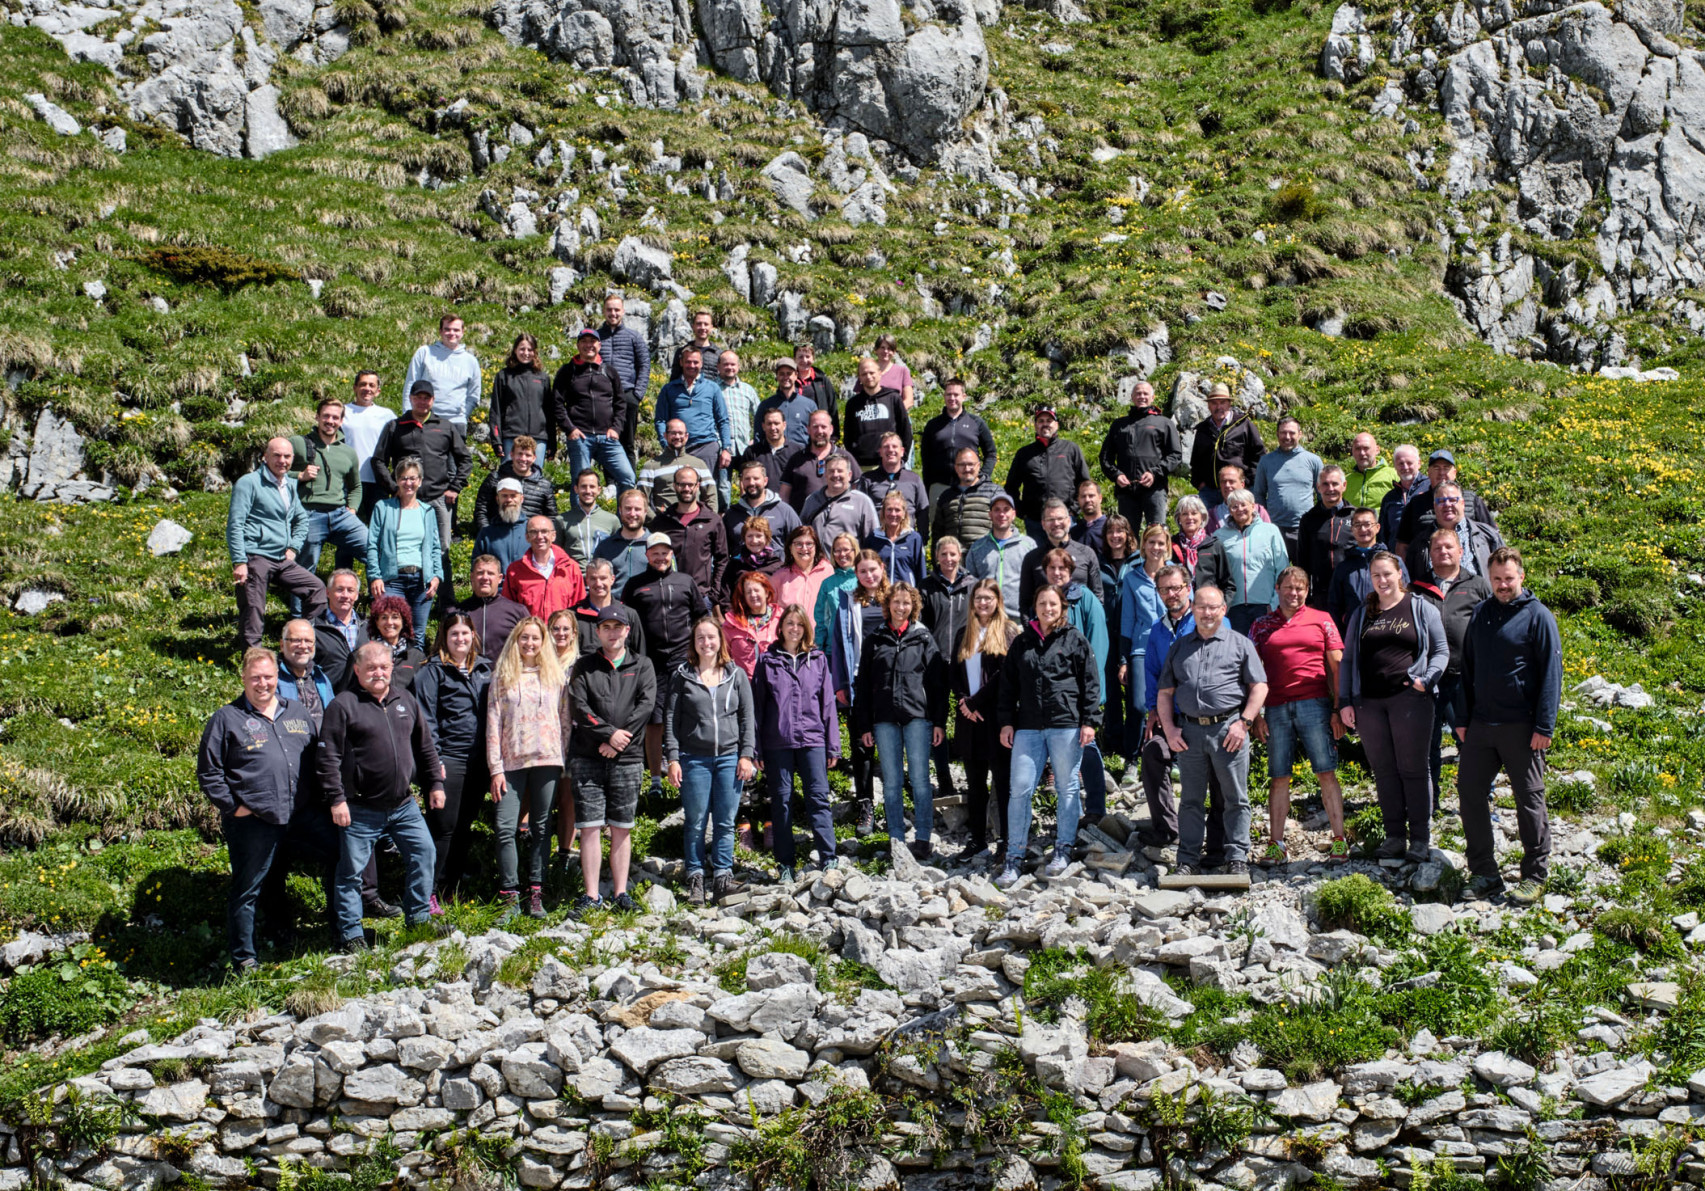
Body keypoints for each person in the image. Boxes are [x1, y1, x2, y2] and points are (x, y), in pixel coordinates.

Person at [198, 647, 331, 971]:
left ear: (277, 678)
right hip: (254, 819)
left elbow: (317, 758)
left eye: (268, 677)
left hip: (300, 814)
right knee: (247, 887)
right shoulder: (226, 719)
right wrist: (234, 807)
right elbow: (209, 772)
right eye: (255, 677)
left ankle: (340, 928)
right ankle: (244, 958)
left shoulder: (296, 711)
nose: (262, 683)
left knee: (340, 852)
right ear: (243, 678)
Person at [318, 640, 445, 951]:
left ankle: (418, 920)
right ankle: (351, 934)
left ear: (392, 669)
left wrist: (435, 784)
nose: (378, 673)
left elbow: (426, 747)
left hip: (403, 805)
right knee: (351, 873)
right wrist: (336, 799)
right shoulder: (343, 706)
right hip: (360, 808)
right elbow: (327, 758)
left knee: (424, 854)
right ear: (357, 670)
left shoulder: (406, 700)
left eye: (384, 667)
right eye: (371, 668)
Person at [1455, 547, 1562, 905]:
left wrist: (1544, 726)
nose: (1502, 585)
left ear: (1522, 577)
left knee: (1528, 799)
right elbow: (1467, 668)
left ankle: (1534, 875)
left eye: (1509, 578)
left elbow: (1551, 674)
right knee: (1470, 793)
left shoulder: (1538, 616)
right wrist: (1462, 718)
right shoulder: (1482, 613)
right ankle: (1484, 872)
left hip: (1522, 726)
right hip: (1481, 724)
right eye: (1497, 579)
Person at [1339, 551, 1449, 863]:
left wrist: (1426, 680)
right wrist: (1346, 701)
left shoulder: (1420, 607)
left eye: (1387, 574)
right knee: (1384, 771)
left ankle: (1420, 838)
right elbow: (1348, 660)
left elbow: (1440, 650)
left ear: (1399, 573)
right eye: (1376, 576)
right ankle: (1394, 837)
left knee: (1413, 769)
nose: (1382, 580)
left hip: (1410, 700)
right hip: (1369, 705)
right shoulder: (1363, 613)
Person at [1155, 584, 1267, 876]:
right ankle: (1187, 860)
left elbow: (1260, 686)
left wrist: (1244, 723)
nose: (1207, 612)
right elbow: (1165, 693)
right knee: (1191, 800)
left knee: (1235, 798)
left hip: (1229, 731)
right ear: (1193, 609)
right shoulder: (1179, 647)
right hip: (1190, 734)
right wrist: (1169, 730)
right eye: (1201, 607)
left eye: (1213, 607)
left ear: (1223, 610)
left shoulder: (1241, 644)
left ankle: (1237, 857)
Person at [996, 584, 1101, 887]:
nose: (1047, 609)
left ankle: (1063, 849)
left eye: (1053, 604)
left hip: (1066, 724)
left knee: (1067, 788)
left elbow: (1091, 683)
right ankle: (1014, 858)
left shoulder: (1074, 639)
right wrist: (1006, 722)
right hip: (1028, 726)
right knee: (1020, 789)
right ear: (1035, 607)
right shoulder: (1022, 642)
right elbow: (1007, 686)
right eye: (1042, 603)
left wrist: (1090, 721)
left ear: (1062, 607)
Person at [1250, 568, 1348, 865]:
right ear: (1277, 588)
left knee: (1326, 772)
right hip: (1276, 706)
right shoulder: (1261, 625)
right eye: (1289, 588)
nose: (1294, 593)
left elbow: (1337, 667)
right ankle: (1276, 844)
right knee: (1278, 776)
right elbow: (1252, 672)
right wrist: (1255, 715)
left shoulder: (1322, 619)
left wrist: (1337, 709)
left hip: (1315, 703)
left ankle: (1340, 841)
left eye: (1301, 588)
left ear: (1308, 590)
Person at [567, 605, 658, 915]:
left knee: (621, 826)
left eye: (618, 627)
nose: (613, 632)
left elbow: (645, 706)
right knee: (589, 827)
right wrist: (607, 736)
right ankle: (591, 895)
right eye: (606, 627)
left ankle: (621, 893)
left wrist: (618, 742)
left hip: (629, 758)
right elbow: (579, 707)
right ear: (598, 632)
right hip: (587, 755)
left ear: (627, 631)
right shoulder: (584, 666)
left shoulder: (642, 665)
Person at [667, 617, 758, 903]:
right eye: (700, 638)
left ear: (721, 640)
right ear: (694, 643)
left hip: (730, 758)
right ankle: (695, 877)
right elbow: (671, 718)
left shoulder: (736, 675)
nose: (707, 643)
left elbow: (747, 717)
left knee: (725, 820)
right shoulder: (681, 676)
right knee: (695, 821)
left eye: (711, 637)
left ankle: (722, 878)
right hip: (693, 759)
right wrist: (672, 758)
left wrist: (746, 754)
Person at [855, 582, 947, 860]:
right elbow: (863, 686)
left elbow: (938, 684)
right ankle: (896, 837)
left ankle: (922, 838)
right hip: (883, 720)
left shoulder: (923, 638)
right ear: (887, 605)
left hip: (918, 717)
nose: (900, 607)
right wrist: (863, 726)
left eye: (906, 603)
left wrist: (939, 722)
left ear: (913, 606)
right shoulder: (875, 639)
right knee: (892, 782)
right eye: (896, 602)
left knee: (920, 779)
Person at [485, 616, 569, 919]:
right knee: (505, 827)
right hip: (510, 761)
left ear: (543, 642)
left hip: (547, 759)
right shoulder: (503, 676)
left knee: (541, 827)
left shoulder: (555, 677)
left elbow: (565, 720)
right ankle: (509, 895)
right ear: (515, 641)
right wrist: (495, 768)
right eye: (524, 638)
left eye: (535, 638)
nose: (530, 643)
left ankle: (536, 892)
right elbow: (493, 724)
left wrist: (564, 759)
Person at [753, 604, 840, 881]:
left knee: (818, 799)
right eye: (789, 623)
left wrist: (833, 744)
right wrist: (755, 747)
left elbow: (828, 703)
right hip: (777, 742)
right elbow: (758, 707)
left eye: (799, 624)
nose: (794, 628)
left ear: (806, 628)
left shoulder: (817, 659)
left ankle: (829, 858)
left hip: (813, 739)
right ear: (781, 627)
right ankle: (785, 864)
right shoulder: (767, 661)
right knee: (782, 802)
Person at [1410, 529, 1492, 812]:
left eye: (1448, 547)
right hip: (1429, 681)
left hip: (1465, 678)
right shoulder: (1416, 588)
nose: (1443, 552)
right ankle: (1429, 803)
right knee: (1427, 745)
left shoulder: (1478, 585)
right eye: (1437, 548)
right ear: (1430, 554)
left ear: (1460, 551)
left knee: (1469, 742)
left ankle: (1479, 801)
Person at [413, 614, 492, 909]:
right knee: (442, 827)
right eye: (454, 634)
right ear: (444, 638)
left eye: (465, 633)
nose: (460, 639)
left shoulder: (484, 668)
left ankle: (450, 887)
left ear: (473, 635)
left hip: (479, 761)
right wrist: (434, 762)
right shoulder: (431, 672)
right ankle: (427, 891)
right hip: (449, 758)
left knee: (464, 826)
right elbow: (425, 719)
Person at [624, 533, 710, 795]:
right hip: (650, 660)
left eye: (665, 552)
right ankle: (655, 781)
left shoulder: (685, 581)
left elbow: (701, 616)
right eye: (655, 553)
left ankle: (687, 770)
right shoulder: (635, 584)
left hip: (683, 658)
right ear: (647, 555)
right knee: (654, 719)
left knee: (688, 714)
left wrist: (699, 652)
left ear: (672, 554)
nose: (660, 557)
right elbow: (626, 622)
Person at [1138, 565, 1214, 851]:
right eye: (1164, 590)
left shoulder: (1206, 619)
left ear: (1188, 586)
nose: (1171, 594)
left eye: (1176, 588)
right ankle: (1167, 830)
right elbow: (1152, 673)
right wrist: (1153, 710)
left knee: (1217, 770)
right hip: (1171, 718)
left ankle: (1218, 838)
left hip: (1206, 717)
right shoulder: (1157, 631)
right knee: (1153, 752)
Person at [229, 436, 326, 648]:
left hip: (282, 558)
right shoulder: (249, 483)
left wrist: (293, 547)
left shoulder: (289, 485)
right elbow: (235, 524)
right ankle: (252, 659)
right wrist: (239, 561)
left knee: (317, 589)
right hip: (256, 556)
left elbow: (301, 519)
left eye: (287, 456)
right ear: (265, 457)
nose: (282, 460)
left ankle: (302, 641)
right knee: (254, 609)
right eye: (277, 455)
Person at [372, 379, 471, 587]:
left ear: (433, 400)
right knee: (399, 547)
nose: (422, 401)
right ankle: (400, 594)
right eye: (418, 397)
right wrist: (393, 488)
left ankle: (445, 604)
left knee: (441, 549)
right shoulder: (395, 426)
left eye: (427, 398)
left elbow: (464, 458)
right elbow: (378, 460)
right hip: (404, 501)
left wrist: (455, 487)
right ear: (410, 398)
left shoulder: (445, 427)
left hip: (437, 499)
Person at [952, 580, 1019, 864]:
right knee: (975, 784)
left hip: (997, 718)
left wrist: (976, 702)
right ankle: (977, 840)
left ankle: (1005, 840)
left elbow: (1006, 676)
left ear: (997, 600)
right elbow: (954, 672)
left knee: (1002, 783)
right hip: (970, 720)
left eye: (988, 598)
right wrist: (964, 702)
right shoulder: (963, 633)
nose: (982, 603)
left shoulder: (1008, 632)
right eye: (978, 598)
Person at [1041, 548, 1111, 819]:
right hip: (1055, 694)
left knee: (1088, 749)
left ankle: (1095, 810)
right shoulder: (1044, 601)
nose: (1057, 573)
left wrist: (1094, 693)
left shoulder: (1086, 599)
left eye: (1063, 569)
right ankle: (1068, 816)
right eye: (1052, 569)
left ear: (1071, 572)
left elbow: (1099, 646)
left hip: (1083, 692)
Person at [828, 550, 891, 836]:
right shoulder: (848, 601)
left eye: (873, 570)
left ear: (882, 568)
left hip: (891, 683)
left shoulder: (896, 598)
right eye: (863, 571)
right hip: (858, 682)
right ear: (856, 574)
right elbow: (838, 644)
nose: (869, 576)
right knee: (862, 748)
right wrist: (839, 683)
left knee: (891, 744)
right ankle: (865, 805)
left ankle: (893, 806)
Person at [365, 457, 442, 649]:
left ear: (420, 481)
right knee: (389, 631)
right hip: (392, 579)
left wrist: (437, 576)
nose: (409, 483)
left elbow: (434, 547)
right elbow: (372, 544)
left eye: (413, 478)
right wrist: (375, 576)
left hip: (421, 580)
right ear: (397, 480)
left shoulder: (427, 511)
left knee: (417, 635)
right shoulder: (383, 508)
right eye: (404, 478)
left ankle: (414, 675)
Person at [289, 398, 367, 583]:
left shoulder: (348, 452)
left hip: (341, 515)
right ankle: (301, 612)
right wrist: (300, 476)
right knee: (305, 569)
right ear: (317, 417)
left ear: (341, 421)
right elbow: (271, 472)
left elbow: (355, 486)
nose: (330, 421)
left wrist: (352, 509)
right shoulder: (298, 443)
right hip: (309, 513)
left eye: (335, 417)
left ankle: (379, 604)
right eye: (326, 416)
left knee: (374, 551)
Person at [920, 535, 971, 810]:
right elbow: (921, 626)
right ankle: (943, 776)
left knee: (968, 714)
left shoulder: (971, 585)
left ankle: (972, 772)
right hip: (935, 662)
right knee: (937, 720)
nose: (949, 559)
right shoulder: (927, 587)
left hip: (964, 661)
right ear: (936, 557)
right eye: (944, 554)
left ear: (959, 555)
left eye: (953, 554)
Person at [553, 328, 637, 491]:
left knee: (628, 477)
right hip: (581, 438)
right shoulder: (567, 371)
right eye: (584, 341)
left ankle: (623, 516)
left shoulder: (609, 371)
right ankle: (580, 517)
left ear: (599, 345)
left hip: (608, 437)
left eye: (592, 341)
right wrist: (570, 429)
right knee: (581, 483)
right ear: (578, 345)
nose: (588, 345)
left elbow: (621, 402)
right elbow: (557, 403)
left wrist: (616, 428)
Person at [1195, 489, 1289, 634]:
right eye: (1234, 506)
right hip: (1234, 607)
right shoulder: (1219, 536)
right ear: (1229, 510)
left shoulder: (1270, 531)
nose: (1240, 509)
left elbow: (1282, 569)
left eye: (1243, 505)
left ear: (1253, 506)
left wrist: (1275, 603)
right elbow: (1215, 573)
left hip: (1265, 606)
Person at [1118, 524, 1171, 763]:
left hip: (1170, 646)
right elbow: (1127, 621)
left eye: (1161, 543)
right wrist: (1123, 660)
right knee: (1138, 705)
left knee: (1173, 703)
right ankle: (1131, 758)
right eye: (1151, 542)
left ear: (1167, 547)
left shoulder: (1176, 574)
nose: (1156, 548)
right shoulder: (1132, 578)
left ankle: (1173, 755)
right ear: (1144, 545)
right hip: (1141, 648)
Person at [654, 347, 731, 506]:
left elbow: (722, 420)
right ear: (681, 362)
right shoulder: (669, 389)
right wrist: (665, 444)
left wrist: (726, 448)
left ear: (701, 363)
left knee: (707, 491)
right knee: (679, 489)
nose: (692, 365)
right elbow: (661, 420)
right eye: (688, 361)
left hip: (707, 446)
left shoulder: (712, 388)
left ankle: (709, 524)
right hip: (678, 448)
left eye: (695, 362)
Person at [1100, 380, 1181, 529]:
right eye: (1138, 393)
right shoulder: (1119, 425)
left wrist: (1154, 473)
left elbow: (1175, 455)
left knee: (1157, 532)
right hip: (1126, 490)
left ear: (1152, 397)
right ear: (1132, 397)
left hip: (1154, 488)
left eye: (1145, 393)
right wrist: (1116, 475)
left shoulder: (1164, 423)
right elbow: (1105, 457)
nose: (1141, 396)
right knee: (1128, 536)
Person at [1006, 404, 1091, 540]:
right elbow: (1011, 487)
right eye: (1041, 421)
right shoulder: (1024, 454)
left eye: (1049, 421)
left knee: (1065, 559)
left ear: (1056, 424)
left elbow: (1085, 483)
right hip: (1035, 523)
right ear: (1035, 426)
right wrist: (1023, 513)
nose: (1045, 424)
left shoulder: (1071, 449)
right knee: (1039, 561)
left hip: (1065, 520)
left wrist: (1074, 510)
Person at [654, 466, 731, 608]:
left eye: (691, 484)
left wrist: (714, 594)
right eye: (682, 484)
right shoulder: (661, 522)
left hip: (701, 597)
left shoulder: (712, 521)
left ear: (698, 486)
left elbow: (722, 560)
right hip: (668, 596)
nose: (686, 488)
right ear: (674, 486)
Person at [1099, 516, 1141, 765]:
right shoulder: (1099, 561)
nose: (1115, 536)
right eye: (1110, 531)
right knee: (1111, 687)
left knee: (1135, 689)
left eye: (1120, 531)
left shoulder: (1138, 562)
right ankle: (1114, 739)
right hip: (1105, 631)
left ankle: (1134, 741)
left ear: (1128, 534)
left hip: (1131, 631)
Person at [1396, 449, 1495, 552]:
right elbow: (1402, 545)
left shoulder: (1472, 499)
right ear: (1428, 473)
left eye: (1446, 468)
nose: (1442, 472)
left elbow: (1492, 534)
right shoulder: (1415, 504)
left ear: (1454, 472)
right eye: (1436, 468)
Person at [1252, 416, 1322, 561]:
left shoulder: (1313, 461)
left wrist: (1318, 521)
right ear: (1277, 434)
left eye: (1292, 433)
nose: (1287, 437)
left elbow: (1322, 494)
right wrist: (1265, 523)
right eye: (1283, 433)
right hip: (1274, 528)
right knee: (1274, 574)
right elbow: (1258, 494)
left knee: (1303, 574)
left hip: (1303, 527)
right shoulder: (1266, 461)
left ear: (1300, 434)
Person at [920, 377, 996, 509]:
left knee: (969, 526)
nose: (952, 398)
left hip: (970, 486)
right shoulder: (933, 425)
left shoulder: (976, 423)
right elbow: (926, 459)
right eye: (949, 394)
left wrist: (983, 475)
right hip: (940, 487)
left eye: (956, 394)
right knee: (939, 528)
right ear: (944, 396)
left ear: (964, 396)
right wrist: (928, 486)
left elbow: (991, 453)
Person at [1407, 482, 1504, 584]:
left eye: (1453, 500)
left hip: (1480, 598)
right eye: (1441, 501)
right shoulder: (1419, 543)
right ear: (1434, 506)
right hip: (1435, 598)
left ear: (1462, 504)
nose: (1447, 505)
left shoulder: (1488, 536)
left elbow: (1506, 571)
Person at [1327, 507, 1408, 630]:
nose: (1363, 529)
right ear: (1352, 529)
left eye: (1367, 524)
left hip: (1390, 630)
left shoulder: (1394, 562)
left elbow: (1406, 597)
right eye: (1357, 525)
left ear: (1377, 527)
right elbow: (1334, 607)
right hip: (1355, 632)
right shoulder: (1344, 567)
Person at [1018, 498, 1104, 613]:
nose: (1056, 523)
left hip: (1080, 626)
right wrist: (1032, 630)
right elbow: (1025, 603)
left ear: (1069, 521)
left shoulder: (1087, 554)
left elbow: (1098, 598)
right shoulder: (1032, 558)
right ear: (1043, 524)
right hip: (1044, 627)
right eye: (1051, 519)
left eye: (1060, 518)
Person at [967, 490, 1036, 620]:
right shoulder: (977, 548)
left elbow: (1036, 583)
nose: (1002, 514)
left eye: (1006, 509)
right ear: (990, 515)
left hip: (1019, 620)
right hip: (986, 619)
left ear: (1014, 514)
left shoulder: (1028, 545)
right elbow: (970, 585)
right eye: (997, 510)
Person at [1188, 382, 1263, 502]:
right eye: (1214, 403)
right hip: (1210, 492)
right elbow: (1195, 461)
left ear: (1229, 404)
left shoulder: (1244, 425)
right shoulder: (1202, 429)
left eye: (1222, 402)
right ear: (1208, 406)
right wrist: (1199, 483)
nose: (1219, 407)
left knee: (1242, 520)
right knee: (1206, 521)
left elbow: (1259, 455)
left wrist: (1248, 481)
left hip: (1239, 490)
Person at [405, 313, 481, 430]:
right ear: (440, 331)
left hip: (456, 423)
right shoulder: (424, 353)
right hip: (425, 419)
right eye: (447, 329)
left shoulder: (471, 361)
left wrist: (462, 416)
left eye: (456, 330)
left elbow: (474, 395)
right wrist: (408, 415)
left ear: (462, 332)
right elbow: (411, 384)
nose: (452, 333)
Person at [502, 516, 587, 621]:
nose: (539, 536)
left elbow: (579, 606)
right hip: (530, 636)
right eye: (534, 532)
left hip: (561, 635)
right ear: (527, 537)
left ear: (553, 535)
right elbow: (508, 609)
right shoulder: (515, 571)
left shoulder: (571, 568)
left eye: (544, 531)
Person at [598, 295, 650, 463]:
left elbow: (644, 364)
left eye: (616, 310)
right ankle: (611, 483)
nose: (613, 313)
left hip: (627, 394)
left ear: (623, 311)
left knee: (627, 442)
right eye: (609, 310)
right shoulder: (596, 337)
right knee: (606, 440)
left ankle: (629, 484)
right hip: (603, 396)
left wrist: (637, 394)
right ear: (603, 311)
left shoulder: (633, 336)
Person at [448, 555, 527, 663]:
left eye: (490, 573)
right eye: (480, 573)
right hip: (465, 677)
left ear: (499, 578)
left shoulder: (518, 612)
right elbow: (441, 651)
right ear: (472, 577)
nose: (485, 577)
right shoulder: (455, 613)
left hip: (505, 677)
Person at [471, 436, 557, 536]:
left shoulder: (544, 485)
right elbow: (481, 510)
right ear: (511, 455)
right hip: (497, 535)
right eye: (519, 454)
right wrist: (486, 534)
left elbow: (552, 517)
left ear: (534, 458)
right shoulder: (495, 479)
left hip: (531, 539)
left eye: (528, 455)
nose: (523, 459)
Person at [1295, 466, 1354, 610]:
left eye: (1335, 483)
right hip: (1321, 595)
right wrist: (1306, 596)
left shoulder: (1355, 517)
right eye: (1325, 484)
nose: (1330, 489)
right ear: (1318, 487)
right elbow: (1302, 560)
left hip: (1351, 591)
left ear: (1344, 485)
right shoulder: (1308, 519)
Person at [341, 371, 395, 524]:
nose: (367, 388)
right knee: (348, 525)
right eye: (363, 384)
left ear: (378, 391)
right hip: (348, 480)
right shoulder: (343, 411)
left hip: (377, 480)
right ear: (354, 388)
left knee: (377, 524)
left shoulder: (387, 415)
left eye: (372, 385)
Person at [782, 409, 862, 511]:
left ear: (831, 429)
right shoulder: (796, 459)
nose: (820, 431)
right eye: (815, 427)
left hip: (839, 521)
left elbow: (858, 491)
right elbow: (784, 494)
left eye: (823, 427)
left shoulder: (845, 457)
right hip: (804, 522)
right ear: (808, 430)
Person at [489, 332, 551, 462]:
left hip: (538, 438)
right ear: (515, 350)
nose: (526, 353)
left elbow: (549, 411)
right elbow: (496, 410)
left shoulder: (542, 377)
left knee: (534, 479)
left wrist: (552, 442)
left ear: (535, 352)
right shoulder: (504, 376)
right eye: (522, 349)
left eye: (530, 349)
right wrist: (496, 440)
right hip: (511, 437)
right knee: (509, 480)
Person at [843, 357, 910, 470]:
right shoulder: (852, 404)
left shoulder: (893, 398)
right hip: (862, 466)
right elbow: (848, 437)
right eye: (864, 374)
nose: (868, 377)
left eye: (872, 373)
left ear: (880, 373)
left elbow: (905, 431)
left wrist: (903, 459)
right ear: (859, 377)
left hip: (890, 464)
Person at [571, 557, 645, 656]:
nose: (598, 583)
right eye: (593, 578)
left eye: (603, 578)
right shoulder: (573, 616)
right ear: (587, 580)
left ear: (612, 579)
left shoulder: (629, 615)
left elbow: (640, 656)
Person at [932, 447, 1002, 549]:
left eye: (971, 464)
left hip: (984, 556)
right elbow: (937, 533)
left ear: (978, 466)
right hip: (955, 560)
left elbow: (1006, 527)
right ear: (956, 468)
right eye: (962, 465)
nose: (967, 469)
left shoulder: (994, 492)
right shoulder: (946, 496)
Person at [802, 455, 880, 547]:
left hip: (850, 560)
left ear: (849, 475)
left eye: (840, 471)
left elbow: (873, 540)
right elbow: (802, 533)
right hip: (818, 561)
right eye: (831, 471)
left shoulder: (862, 502)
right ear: (825, 475)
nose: (835, 475)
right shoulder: (812, 500)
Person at [640, 420, 716, 513]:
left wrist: (708, 520)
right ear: (665, 435)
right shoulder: (651, 466)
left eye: (680, 433)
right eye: (673, 433)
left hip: (695, 523)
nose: (677, 437)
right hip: (666, 523)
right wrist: (656, 522)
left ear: (686, 436)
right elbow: (641, 500)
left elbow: (711, 496)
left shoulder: (699, 464)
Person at [714, 351, 762, 498]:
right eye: (725, 364)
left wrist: (756, 438)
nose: (729, 367)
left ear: (738, 366)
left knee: (748, 485)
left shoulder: (748, 390)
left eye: (733, 364)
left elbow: (759, 416)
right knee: (722, 488)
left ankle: (747, 516)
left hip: (745, 446)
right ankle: (723, 517)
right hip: (721, 447)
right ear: (718, 367)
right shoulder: (712, 389)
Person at [857, 432, 929, 527]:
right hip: (877, 537)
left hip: (907, 537)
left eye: (894, 446)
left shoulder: (914, 479)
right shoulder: (867, 479)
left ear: (902, 451)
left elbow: (923, 512)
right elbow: (859, 512)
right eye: (886, 447)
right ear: (880, 451)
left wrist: (921, 539)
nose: (890, 450)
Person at [725, 457, 802, 544]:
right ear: (742, 482)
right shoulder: (732, 514)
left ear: (765, 481)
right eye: (747, 479)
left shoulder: (784, 511)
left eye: (756, 478)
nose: (751, 483)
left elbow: (799, 541)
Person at [314, 570, 369, 692]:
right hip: (329, 699)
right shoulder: (314, 629)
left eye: (350, 590)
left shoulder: (368, 628)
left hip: (363, 701)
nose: (345, 595)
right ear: (328, 592)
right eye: (339, 589)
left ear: (357, 595)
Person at [775, 526, 833, 640]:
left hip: (820, 641)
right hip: (789, 642)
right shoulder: (780, 576)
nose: (804, 548)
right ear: (790, 548)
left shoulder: (828, 571)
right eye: (798, 544)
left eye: (809, 543)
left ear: (816, 547)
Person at [593, 488, 655, 594]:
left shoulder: (657, 546)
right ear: (620, 510)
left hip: (648, 607)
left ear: (645, 512)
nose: (632, 513)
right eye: (628, 508)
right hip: (614, 607)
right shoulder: (605, 547)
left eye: (637, 509)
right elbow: (595, 581)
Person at [559, 469, 620, 569]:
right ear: (576, 489)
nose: (588, 491)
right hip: (573, 579)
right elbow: (556, 554)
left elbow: (617, 553)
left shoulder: (612, 520)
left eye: (592, 487)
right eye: (583, 486)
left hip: (601, 580)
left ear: (599, 490)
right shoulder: (562, 520)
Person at [724, 570, 781, 676]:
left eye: (756, 590)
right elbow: (723, 655)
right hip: (744, 686)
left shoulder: (780, 619)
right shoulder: (732, 623)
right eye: (748, 592)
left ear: (766, 592)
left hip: (775, 683)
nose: (753, 595)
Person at [864, 491, 925, 587]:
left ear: (904, 513)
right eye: (889, 509)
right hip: (880, 596)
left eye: (897, 510)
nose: (893, 514)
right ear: (883, 512)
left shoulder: (914, 538)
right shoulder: (873, 538)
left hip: (905, 597)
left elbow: (921, 572)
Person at [368, 594, 427, 694]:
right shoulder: (365, 654)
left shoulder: (417, 657)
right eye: (384, 617)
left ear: (403, 622)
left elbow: (423, 693)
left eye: (395, 617)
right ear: (377, 623)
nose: (390, 622)